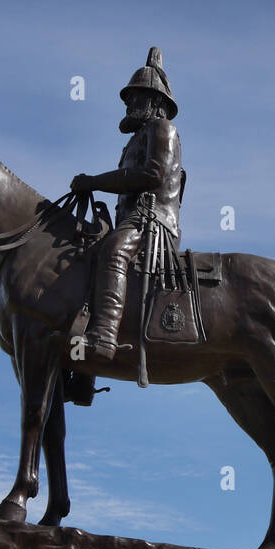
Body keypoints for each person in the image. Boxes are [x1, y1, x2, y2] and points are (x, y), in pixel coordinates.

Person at [69, 46, 183, 364]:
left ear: (157, 102)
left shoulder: (163, 130)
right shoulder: (135, 139)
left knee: (115, 250)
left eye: (138, 96)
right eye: (129, 97)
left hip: (153, 223)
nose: (130, 102)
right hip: (132, 219)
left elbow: (152, 174)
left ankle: (104, 335)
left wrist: (94, 181)